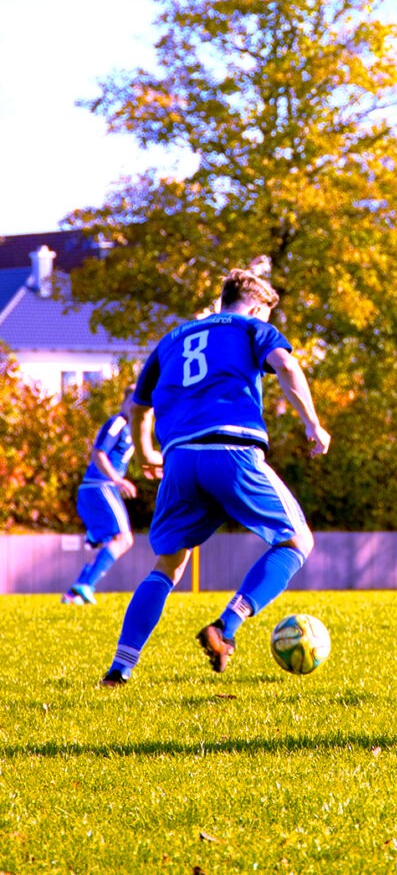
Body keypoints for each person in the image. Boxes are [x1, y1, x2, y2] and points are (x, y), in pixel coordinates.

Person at [99, 268, 331, 686]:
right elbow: (287, 366)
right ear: (258, 308)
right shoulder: (251, 327)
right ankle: (226, 626)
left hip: (180, 460)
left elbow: (137, 407)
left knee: (168, 564)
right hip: (232, 450)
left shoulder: (172, 339)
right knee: (298, 540)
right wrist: (312, 422)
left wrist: (147, 450)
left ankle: (120, 668)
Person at [62, 386, 138, 605]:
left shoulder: (134, 430)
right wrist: (117, 479)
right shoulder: (119, 423)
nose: (135, 406)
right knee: (124, 539)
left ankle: (74, 595)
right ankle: (86, 585)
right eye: (131, 401)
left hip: (100, 487)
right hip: (99, 486)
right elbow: (98, 453)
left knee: (111, 541)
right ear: (124, 402)